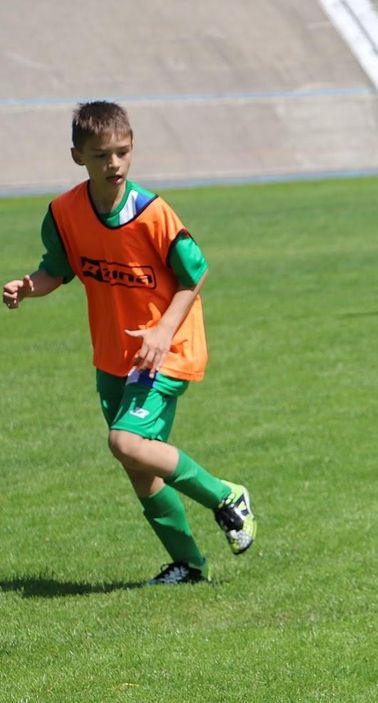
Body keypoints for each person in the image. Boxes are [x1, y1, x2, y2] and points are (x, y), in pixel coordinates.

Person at [2, 101, 257, 585]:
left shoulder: (152, 214)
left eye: (122, 152)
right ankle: (188, 564)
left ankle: (226, 495)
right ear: (78, 156)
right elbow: (57, 270)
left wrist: (162, 332)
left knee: (125, 441)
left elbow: (194, 274)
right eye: (100, 155)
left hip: (167, 350)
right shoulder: (64, 213)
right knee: (138, 465)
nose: (113, 164)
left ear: (133, 148)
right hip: (115, 355)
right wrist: (29, 287)